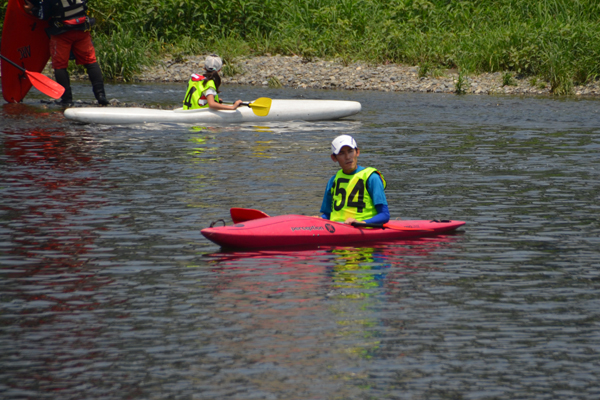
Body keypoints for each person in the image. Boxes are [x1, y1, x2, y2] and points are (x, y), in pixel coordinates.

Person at [24, 0, 108, 106]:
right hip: (82, 30)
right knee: (90, 62)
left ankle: (67, 100)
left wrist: (33, 10)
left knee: (60, 66)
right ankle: (101, 96)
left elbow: (43, 15)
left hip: (62, 33)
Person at [319, 135, 390, 225]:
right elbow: (328, 215)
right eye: (341, 153)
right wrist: (319, 219)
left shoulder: (372, 178)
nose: (348, 157)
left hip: (362, 229)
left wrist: (361, 222)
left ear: (357, 152)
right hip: (336, 229)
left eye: (350, 151)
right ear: (334, 158)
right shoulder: (333, 181)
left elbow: (384, 215)